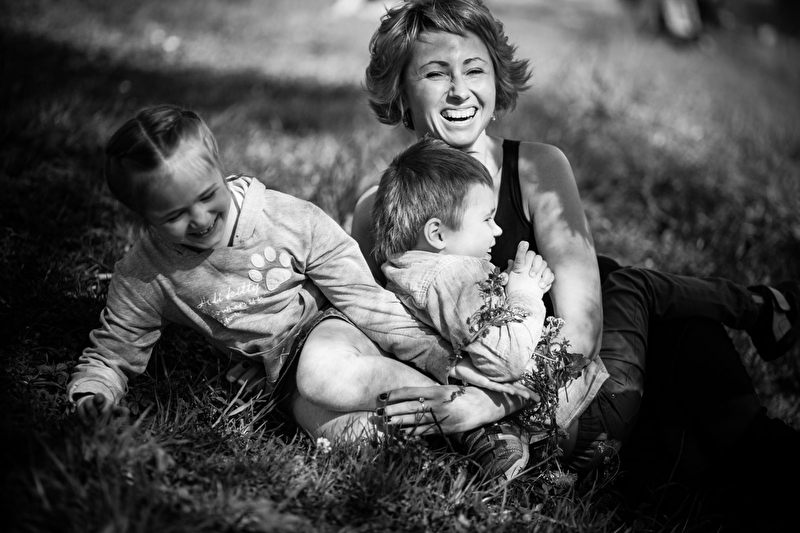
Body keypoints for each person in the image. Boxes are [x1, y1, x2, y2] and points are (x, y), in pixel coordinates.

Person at [347, 0, 799, 527]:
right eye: (434, 73)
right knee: (666, 490)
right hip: (557, 416)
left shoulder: (536, 167)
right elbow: (382, 328)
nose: (459, 90)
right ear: (401, 92)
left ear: (496, 79)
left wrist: (489, 403)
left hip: (604, 364)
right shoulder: (377, 210)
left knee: (748, 444)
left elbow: (583, 333)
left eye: (474, 69)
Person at [67, 104, 535, 435]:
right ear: (144, 217)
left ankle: (466, 401)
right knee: (348, 438)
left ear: (219, 167)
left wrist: (443, 360)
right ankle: (468, 434)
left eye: (208, 195)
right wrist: (94, 393)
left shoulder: (288, 220)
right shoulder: (145, 273)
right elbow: (114, 348)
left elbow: (363, 297)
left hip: (330, 329)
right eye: (174, 215)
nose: (201, 218)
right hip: (279, 377)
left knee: (321, 375)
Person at [372, 135, 800, 478]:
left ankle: (761, 311)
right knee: (632, 282)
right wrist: (523, 292)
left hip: (556, 429)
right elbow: (509, 358)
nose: (498, 230)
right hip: (587, 411)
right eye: (486, 220)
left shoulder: (400, 270)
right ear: (437, 233)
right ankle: (761, 307)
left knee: (618, 282)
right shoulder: (456, 276)